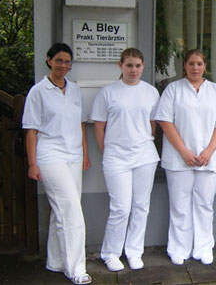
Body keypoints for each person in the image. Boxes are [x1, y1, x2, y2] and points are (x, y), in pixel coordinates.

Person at [22, 43, 92, 285]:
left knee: (61, 212)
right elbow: (31, 131)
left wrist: (84, 153)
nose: (64, 65)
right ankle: (76, 269)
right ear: (49, 60)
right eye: (59, 60)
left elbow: (81, 123)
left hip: (73, 156)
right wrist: (33, 164)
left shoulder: (74, 90)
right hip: (50, 156)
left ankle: (56, 261)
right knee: (71, 211)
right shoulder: (38, 92)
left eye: (67, 61)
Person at [155, 49, 216, 265]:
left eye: (199, 64)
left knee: (205, 205)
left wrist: (208, 151)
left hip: (208, 158)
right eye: (191, 64)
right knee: (179, 206)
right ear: (184, 66)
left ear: (204, 66)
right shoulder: (173, 90)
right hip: (179, 159)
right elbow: (165, 122)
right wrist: (184, 152)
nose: (195, 68)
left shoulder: (215, 91)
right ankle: (178, 248)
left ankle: (204, 247)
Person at [90, 48, 160, 272]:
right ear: (120, 65)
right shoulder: (108, 92)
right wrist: (107, 151)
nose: (134, 70)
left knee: (141, 206)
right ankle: (110, 253)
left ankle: (134, 251)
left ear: (143, 66)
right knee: (120, 207)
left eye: (138, 66)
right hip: (116, 158)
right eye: (129, 65)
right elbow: (99, 127)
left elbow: (153, 124)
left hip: (144, 156)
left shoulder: (151, 92)